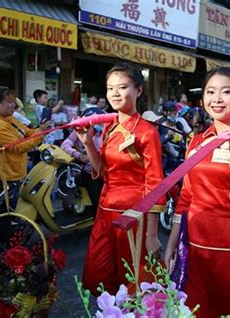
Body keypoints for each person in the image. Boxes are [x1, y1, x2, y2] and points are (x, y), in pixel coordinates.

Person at [164, 67, 230, 317]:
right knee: (194, 309)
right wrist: (172, 243)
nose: (217, 99)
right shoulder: (198, 141)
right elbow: (187, 193)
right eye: (210, 92)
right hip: (193, 241)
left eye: (226, 92)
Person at [76, 63, 166, 295]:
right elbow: (101, 171)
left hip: (133, 217)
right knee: (102, 276)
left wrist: (152, 234)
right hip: (105, 211)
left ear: (138, 90)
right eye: (110, 88)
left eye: (122, 87)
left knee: (134, 280)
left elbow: (155, 183)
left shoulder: (147, 132)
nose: (114, 94)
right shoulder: (109, 127)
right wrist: (87, 143)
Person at [0, 86, 51, 206]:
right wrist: (40, 134)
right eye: (9, 102)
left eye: (14, 101)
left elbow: (27, 132)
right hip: (0, 176)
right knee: (6, 217)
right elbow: (18, 147)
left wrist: (42, 130)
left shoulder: (9, 117)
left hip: (12, 173)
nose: (13, 105)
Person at [61, 107, 104, 210]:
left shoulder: (106, 131)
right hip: (90, 174)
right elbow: (65, 145)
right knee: (97, 205)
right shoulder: (79, 131)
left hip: (107, 174)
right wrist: (78, 155)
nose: (91, 124)